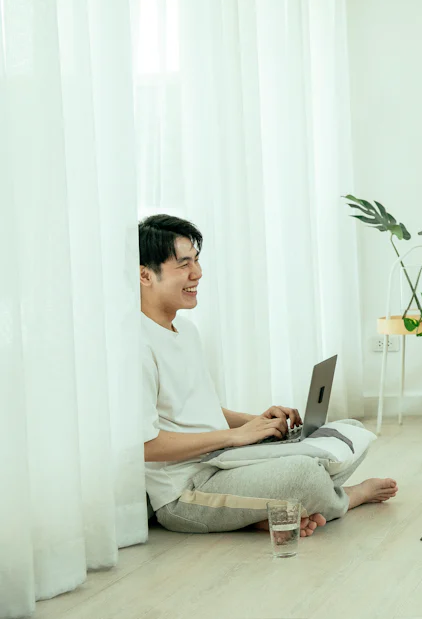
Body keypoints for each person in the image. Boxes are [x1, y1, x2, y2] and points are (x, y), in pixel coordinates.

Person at [139, 214, 397, 536]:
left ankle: (267, 512)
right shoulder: (136, 345)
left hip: (224, 461)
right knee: (305, 474)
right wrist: (236, 436)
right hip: (186, 491)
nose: (198, 273)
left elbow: (194, 410)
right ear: (145, 275)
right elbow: (145, 445)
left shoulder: (186, 331)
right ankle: (346, 499)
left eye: (197, 260)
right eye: (184, 264)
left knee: (350, 432)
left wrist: (257, 423)